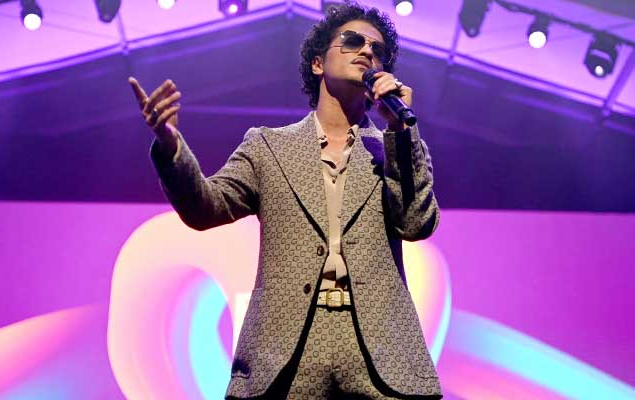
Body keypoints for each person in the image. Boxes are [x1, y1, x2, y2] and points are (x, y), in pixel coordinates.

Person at [128, 2, 441, 399]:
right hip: (285, 355)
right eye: (352, 41)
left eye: (377, 50)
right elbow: (205, 207)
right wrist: (170, 145)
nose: (366, 51)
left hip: (381, 356)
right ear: (317, 63)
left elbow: (415, 223)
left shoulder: (397, 147)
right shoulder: (268, 147)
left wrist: (400, 130)